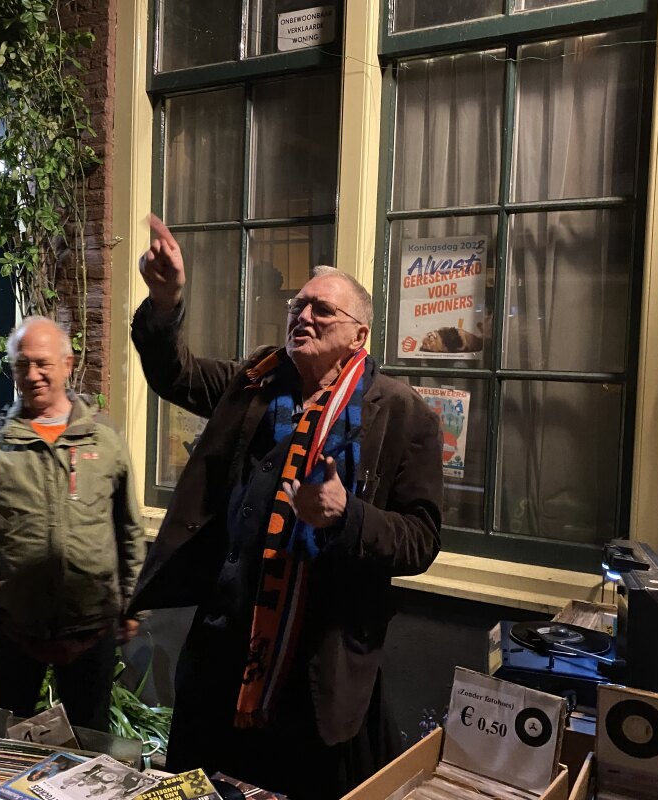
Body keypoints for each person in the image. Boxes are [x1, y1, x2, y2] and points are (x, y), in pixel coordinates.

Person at [128, 216, 444, 799]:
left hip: (316, 670)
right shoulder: (256, 381)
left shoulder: (401, 415)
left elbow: (421, 540)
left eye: (322, 309)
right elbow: (177, 373)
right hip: (223, 650)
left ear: (360, 335)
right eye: (298, 304)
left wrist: (346, 516)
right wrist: (165, 299)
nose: (303, 315)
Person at [0, 317, 145, 728]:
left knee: (88, 744)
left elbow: (129, 529)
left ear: (67, 364)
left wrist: (134, 604)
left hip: (91, 624)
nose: (32, 375)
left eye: (42, 363)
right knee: (3, 742)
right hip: (12, 628)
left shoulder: (105, 439)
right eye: (21, 365)